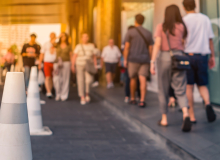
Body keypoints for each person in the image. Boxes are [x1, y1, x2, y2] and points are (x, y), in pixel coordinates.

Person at [150, 5, 191, 132]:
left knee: (163, 88)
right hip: (179, 57)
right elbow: (184, 43)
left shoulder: (161, 26)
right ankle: (185, 114)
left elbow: (157, 44)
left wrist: (152, 61)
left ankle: (164, 119)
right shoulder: (182, 26)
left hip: (164, 57)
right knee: (180, 88)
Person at [183, 0, 216, 123]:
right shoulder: (205, 19)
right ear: (195, 6)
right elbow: (210, 40)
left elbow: (182, 40)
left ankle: (192, 116)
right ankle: (207, 103)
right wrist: (212, 56)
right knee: (202, 85)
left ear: (184, 7)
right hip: (202, 56)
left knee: (189, 86)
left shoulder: (184, 20)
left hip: (188, 56)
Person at [123, 14, 154, 108]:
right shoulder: (148, 33)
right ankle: (142, 100)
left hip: (133, 59)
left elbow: (127, 47)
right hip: (144, 59)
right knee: (143, 79)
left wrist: (125, 59)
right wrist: (151, 60)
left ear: (135, 21)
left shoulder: (130, 32)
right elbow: (151, 48)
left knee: (133, 79)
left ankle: (132, 98)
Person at [72, 33, 97, 105]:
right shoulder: (78, 46)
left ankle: (87, 94)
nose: (85, 38)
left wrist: (95, 66)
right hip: (79, 64)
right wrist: (73, 65)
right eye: (84, 37)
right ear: (81, 38)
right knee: (80, 80)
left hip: (89, 65)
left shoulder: (91, 46)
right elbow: (75, 56)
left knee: (89, 80)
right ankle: (82, 96)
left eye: (86, 37)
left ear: (88, 38)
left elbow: (94, 56)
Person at [53, 32, 72, 101]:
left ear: (66, 37)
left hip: (66, 63)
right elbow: (52, 41)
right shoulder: (57, 45)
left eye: (64, 36)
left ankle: (64, 95)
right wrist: (58, 36)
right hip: (57, 63)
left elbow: (71, 55)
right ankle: (58, 93)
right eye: (62, 36)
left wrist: (72, 65)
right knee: (56, 79)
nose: (63, 37)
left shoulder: (69, 46)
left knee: (65, 79)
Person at [38, 32, 57, 99]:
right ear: (49, 36)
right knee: (47, 77)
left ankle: (51, 90)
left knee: (52, 78)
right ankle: (48, 91)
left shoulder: (57, 44)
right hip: (47, 62)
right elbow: (42, 54)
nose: (52, 36)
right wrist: (40, 63)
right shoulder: (46, 44)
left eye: (54, 35)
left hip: (55, 63)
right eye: (51, 35)